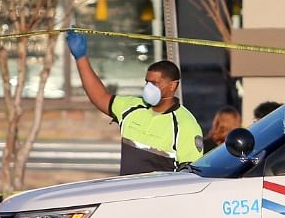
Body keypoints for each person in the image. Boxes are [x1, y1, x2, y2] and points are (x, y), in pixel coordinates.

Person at [66, 30, 203, 176]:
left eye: (155, 83)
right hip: (128, 195)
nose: (149, 88)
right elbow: (99, 97)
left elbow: (191, 177)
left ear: (172, 86)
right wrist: (81, 58)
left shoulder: (185, 124)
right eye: (147, 82)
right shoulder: (132, 108)